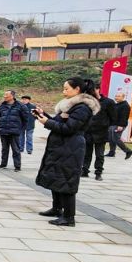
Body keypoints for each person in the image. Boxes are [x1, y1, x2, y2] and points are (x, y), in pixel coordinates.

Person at [35, 77, 100, 227]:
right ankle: (57, 208)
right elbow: (59, 123)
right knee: (56, 177)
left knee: (67, 181)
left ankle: (69, 217)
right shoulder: (70, 106)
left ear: (77, 89)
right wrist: (44, 115)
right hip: (60, 146)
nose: (63, 92)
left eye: (66, 89)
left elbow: (69, 128)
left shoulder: (82, 108)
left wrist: (47, 123)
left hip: (71, 147)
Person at [83, 83, 115, 181]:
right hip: (88, 132)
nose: (91, 92)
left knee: (99, 154)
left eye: (93, 90)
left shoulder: (108, 102)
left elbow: (113, 117)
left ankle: (98, 172)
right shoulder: (87, 102)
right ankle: (84, 170)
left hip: (101, 132)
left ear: (98, 89)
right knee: (87, 153)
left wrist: (106, 126)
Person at [0, 90, 29, 172]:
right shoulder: (1, 106)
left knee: (16, 149)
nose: (4, 96)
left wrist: (19, 128)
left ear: (12, 96)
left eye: (6, 95)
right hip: (3, 130)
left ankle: (17, 166)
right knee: (4, 149)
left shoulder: (21, 106)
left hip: (14, 131)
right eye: (4, 94)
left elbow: (25, 119)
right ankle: (3, 164)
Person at [106, 92, 132, 159]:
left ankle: (128, 151)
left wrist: (120, 125)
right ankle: (112, 152)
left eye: (118, 96)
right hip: (113, 124)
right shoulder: (117, 104)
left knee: (116, 139)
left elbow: (124, 117)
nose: (116, 97)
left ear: (123, 97)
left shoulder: (125, 105)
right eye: (116, 96)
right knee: (111, 139)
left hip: (119, 125)